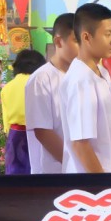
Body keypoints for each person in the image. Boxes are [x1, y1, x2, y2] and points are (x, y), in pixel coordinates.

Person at [60, 3, 111, 174]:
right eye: (107, 34)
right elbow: (80, 144)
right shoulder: (80, 80)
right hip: (94, 183)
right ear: (86, 37)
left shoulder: (102, 72)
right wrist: (103, 184)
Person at [25, 13, 78, 174]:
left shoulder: (83, 76)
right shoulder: (41, 78)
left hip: (82, 170)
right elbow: (43, 132)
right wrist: (75, 164)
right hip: (54, 172)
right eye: (77, 41)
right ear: (58, 41)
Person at [1, 49, 46, 175]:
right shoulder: (40, 83)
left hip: (16, 135)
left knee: (16, 173)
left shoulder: (7, 87)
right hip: (40, 134)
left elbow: (6, 123)